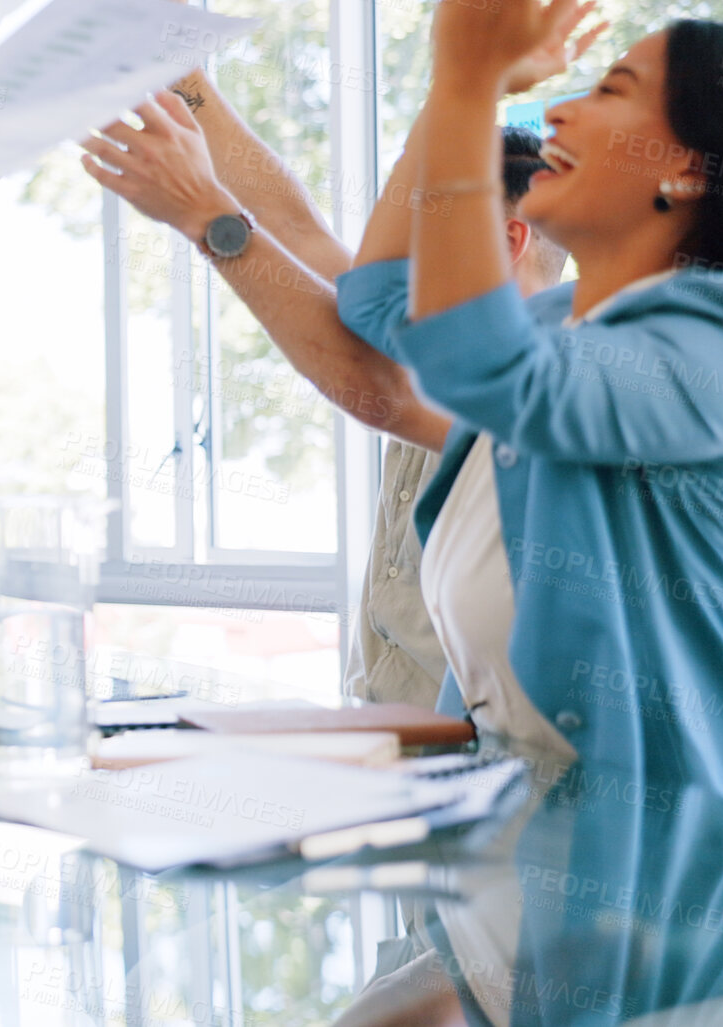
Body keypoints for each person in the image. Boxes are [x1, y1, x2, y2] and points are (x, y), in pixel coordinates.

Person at [75, 23, 590, 709]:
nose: (378, 254)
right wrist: (182, 79)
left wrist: (205, 215)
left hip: (478, 772)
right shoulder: (416, 334)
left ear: (503, 237)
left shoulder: (550, 379)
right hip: (390, 746)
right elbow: (296, 230)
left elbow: (372, 390)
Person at [338, 7, 723, 782]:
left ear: (689, 168)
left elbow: (489, 368)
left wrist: (470, 83)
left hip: (643, 876)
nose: (560, 108)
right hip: (499, 841)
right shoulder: (552, 325)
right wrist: (452, 90)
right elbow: (375, 298)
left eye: (611, 91)